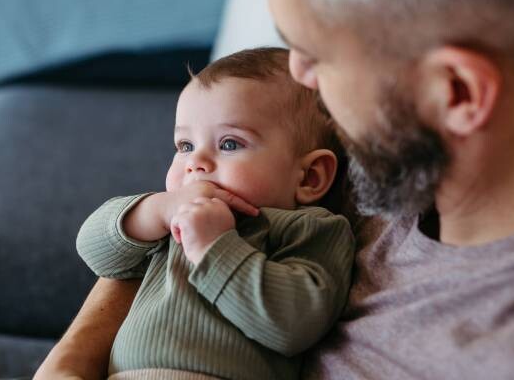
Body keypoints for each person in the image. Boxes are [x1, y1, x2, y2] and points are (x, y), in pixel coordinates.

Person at [36, 0, 514, 379]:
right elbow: (151, 245)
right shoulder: (387, 151)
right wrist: (69, 363)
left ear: (456, 92)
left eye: (314, 53)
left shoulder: (513, 345)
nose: (297, 73)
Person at [76, 48, 355, 380]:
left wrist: (214, 247)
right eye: (185, 146)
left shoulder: (310, 227)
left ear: (309, 177)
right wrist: (155, 210)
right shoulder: (171, 219)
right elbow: (94, 252)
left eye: (229, 144)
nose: (195, 162)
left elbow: (295, 326)